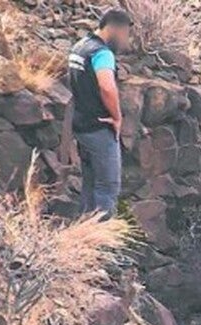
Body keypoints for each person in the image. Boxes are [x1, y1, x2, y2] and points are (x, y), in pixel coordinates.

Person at [67, 8, 133, 217]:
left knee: (90, 184)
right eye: (125, 34)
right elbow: (106, 86)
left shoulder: (80, 47)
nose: (125, 40)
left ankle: (85, 236)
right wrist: (117, 117)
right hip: (98, 127)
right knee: (107, 186)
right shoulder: (102, 53)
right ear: (115, 29)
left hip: (81, 126)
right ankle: (102, 242)